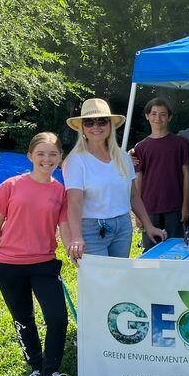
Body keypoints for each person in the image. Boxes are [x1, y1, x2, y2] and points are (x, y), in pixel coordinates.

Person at [0, 132, 73, 376]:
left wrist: (73, 249)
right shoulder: (11, 185)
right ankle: (35, 368)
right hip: (8, 265)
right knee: (24, 319)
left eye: (53, 154)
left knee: (58, 318)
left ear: (60, 158)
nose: (47, 159)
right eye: (41, 154)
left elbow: (65, 227)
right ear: (30, 156)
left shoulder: (60, 191)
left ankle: (52, 370)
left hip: (44, 264)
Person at [63, 98, 166, 259]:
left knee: (119, 279)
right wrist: (76, 237)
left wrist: (149, 226)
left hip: (123, 227)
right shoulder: (76, 161)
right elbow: (74, 202)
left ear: (110, 125)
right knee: (98, 281)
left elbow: (133, 196)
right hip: (91, 228)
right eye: (89, 122)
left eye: (102, 121)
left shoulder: (123, 157)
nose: (96, 127)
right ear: (82, 128)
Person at [132, 97, 189, 249]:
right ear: (147, 116)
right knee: (151, 250)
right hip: (149, 208)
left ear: (169, 117)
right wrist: (139, 213)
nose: (158, 118)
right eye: (154, 113)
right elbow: (138, 180)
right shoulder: (141, 147)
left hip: (175, 207)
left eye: (163, 114)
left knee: (175, 248)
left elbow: (186, 175)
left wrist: (185, 205)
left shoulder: (180, 143)